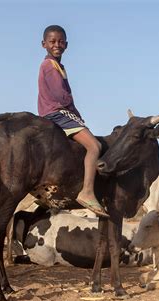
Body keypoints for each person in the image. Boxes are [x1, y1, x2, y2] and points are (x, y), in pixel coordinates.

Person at [37, 25, 109, 218]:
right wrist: (75, 115)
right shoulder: (50, 66)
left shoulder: (58, 66)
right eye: (52, 41)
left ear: (66, 45)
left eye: (60, 41)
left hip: (56, 111)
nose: (57, 45)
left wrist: (77, 116)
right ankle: (87, 191)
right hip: (57, 112)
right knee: (94, 146)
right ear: (43, 44)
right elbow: (63, 97)